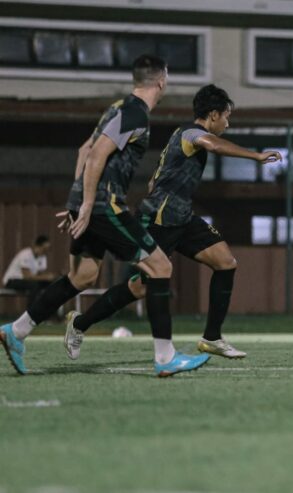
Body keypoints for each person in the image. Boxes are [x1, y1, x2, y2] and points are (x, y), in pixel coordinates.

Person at [0, 54, 210, 377]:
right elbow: (96, 154)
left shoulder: (116, 107)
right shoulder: (135, 113)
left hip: (90, 203)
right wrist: (86, 204)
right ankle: (166, 357)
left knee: (82, 276)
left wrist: (76, 201)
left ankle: (17, 331)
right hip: (104, 205)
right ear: (161, 80)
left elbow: (83, 150)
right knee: (160, 266)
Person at [62, 84, 280, 360]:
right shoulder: (192, 133)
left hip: (181, 217)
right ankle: (80, 324)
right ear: (213, 115)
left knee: (226, 262)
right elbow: (212, 144)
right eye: (226, 116)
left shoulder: (182, 135)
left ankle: (212, 337)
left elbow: (155, 179)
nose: (228, 122)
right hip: (159, 220)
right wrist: (255, 155)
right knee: (141, 287)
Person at [2, 235, 57, 306]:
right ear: (37, 246)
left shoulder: (42, 257)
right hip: (12, 281)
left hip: (27, 282)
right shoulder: (25, 254)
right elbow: (27, 277)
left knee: (52, 285)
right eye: (44, 249)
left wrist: (52, 277)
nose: (45, 251)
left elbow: (39, 275)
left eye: (47, 249)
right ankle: (30, 313)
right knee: (34, 285)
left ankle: (51, 311)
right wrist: (46, 277)